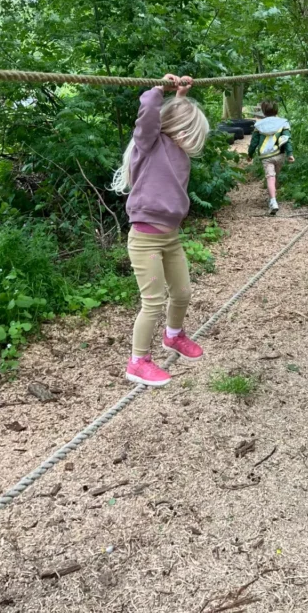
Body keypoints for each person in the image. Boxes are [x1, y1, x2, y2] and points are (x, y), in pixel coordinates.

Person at [111, 73, 210, 387]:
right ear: (178, 129)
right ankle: (138, 361)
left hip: (170, 236)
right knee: (152, 302)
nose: (192, 143)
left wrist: (179, 97)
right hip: (145, 239)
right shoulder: (149, 144)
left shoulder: (177, 151)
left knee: (182, 292)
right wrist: (157, 90)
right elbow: (151, 120)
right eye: (189, 134)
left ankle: (173, 336)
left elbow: (172, 118)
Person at [248, 100, 294, 214]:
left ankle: (273, 201)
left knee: (270, 177)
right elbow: (286, 140)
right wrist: (290, 154)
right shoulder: (283, 123)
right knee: (275, 176)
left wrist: (250, 154)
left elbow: (254, 142)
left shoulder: (259, 125)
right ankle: (273, 199)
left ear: (263, 112)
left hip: (266, 156)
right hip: (279, 154)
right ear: (276, 110)